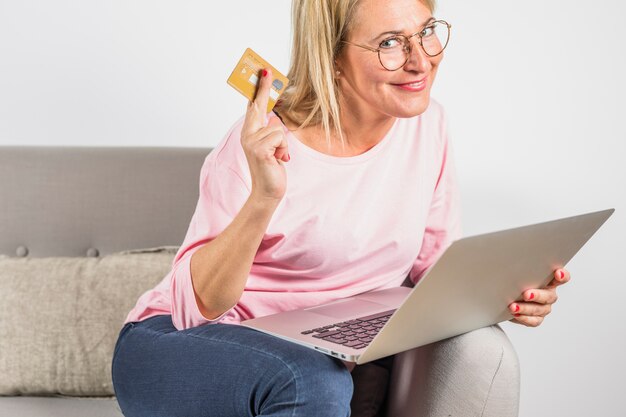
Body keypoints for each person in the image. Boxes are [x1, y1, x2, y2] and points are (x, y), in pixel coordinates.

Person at [111, 0, 571, 416]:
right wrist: (264, 197)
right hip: (180, 344)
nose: (420, 60)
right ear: (332, 60)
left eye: (426, 31)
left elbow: (433, 273)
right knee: (307, 379)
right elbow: (200, 308)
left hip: (325, 346)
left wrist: (502, 296)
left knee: (322, 375)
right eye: (389, 43)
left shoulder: (428, 125)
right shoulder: (259, 144)